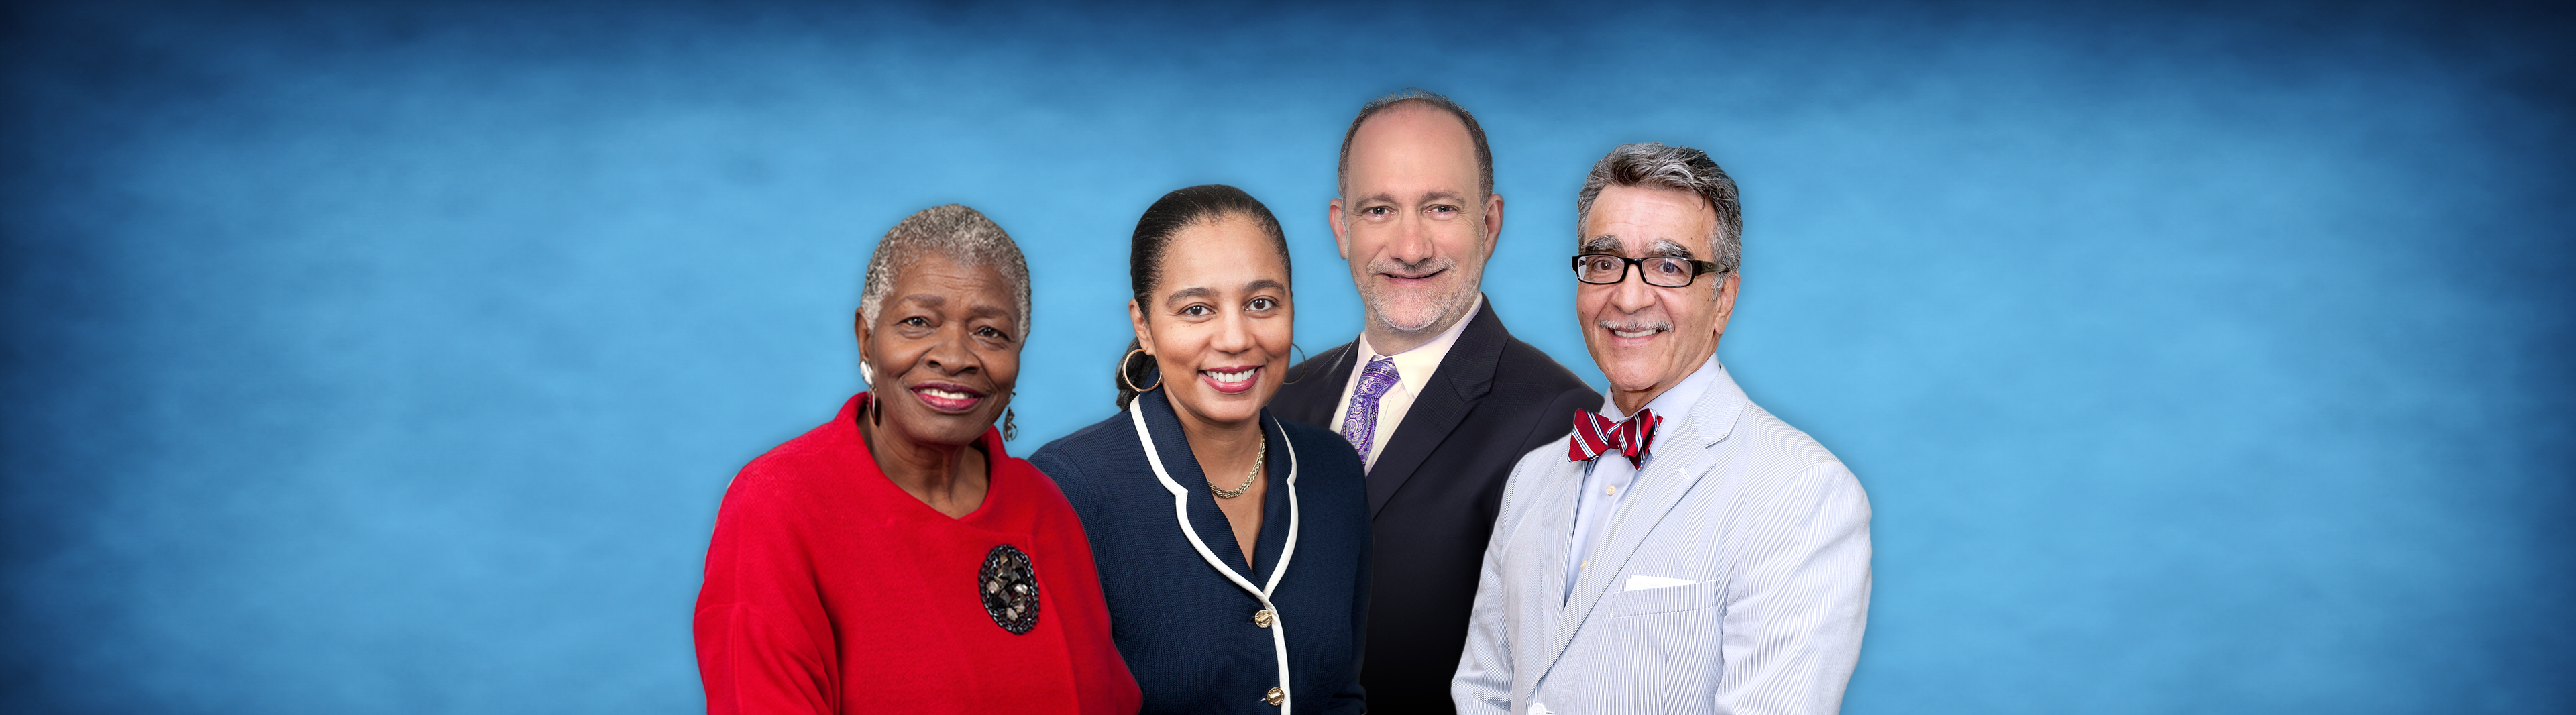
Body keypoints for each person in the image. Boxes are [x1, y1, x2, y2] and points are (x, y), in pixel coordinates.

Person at [1452, 144, 1873, 714]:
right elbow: (1484, 692)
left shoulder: (1802, 493)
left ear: (1723, 297)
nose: (1628, 297)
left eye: (1669, 266)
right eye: (1604, 263)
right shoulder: (1531, 478)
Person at [692, 205, 1141, 714]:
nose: (954, 356)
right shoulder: (780, 504)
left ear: (1019, 352)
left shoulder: (1045, 506)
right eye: (918, 322)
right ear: (866, 336)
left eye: (989, 331)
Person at [1269, 89, 1597, 714]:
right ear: (1342, 227)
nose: (1411, 246)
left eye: (1441, 208)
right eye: (1380, 210)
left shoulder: (1562, 422)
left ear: (1490, 224)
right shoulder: (1282, 397)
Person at [1032, 185, 1370, 714]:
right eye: (1197, 309)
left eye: (1261, 304)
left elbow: (1341, 696)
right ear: (1143, 325)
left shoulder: (1335, 471)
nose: (1235, 338)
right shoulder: (1070, 489)